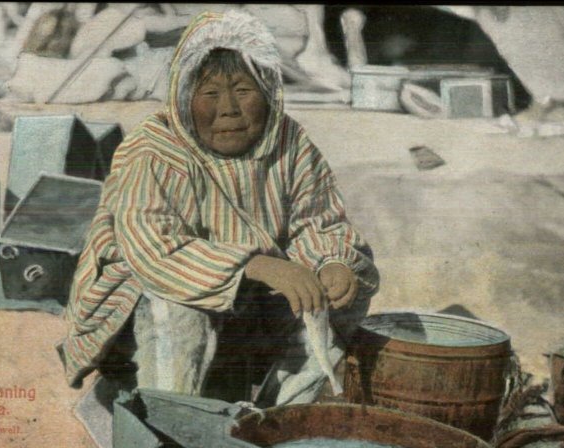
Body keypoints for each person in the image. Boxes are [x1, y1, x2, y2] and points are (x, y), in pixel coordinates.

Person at [56, 10, 379, 408]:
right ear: (183, 98)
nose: (228, 109)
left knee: (340, 297)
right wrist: (256, 265)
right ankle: (168, 421)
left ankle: (275, 417)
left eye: (243, 90)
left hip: (248, 302)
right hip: (142, 305)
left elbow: (315, 220)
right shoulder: (157, 147)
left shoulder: (288, 142)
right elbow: (152, 251)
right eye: (209, 94)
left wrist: (332, 263)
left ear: (270, 90)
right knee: (174, 306)